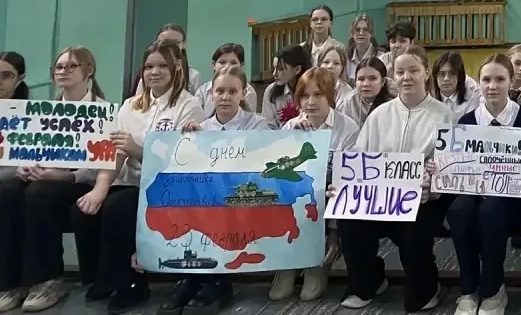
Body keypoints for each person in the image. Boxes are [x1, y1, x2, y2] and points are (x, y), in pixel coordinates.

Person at [74, 41, 201, 314]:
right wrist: (99, 189)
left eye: (162, 66)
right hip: (130, 182)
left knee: (118, 208)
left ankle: (132, 285)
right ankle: (101, 279)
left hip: (167, 186)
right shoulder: (130, 106)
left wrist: (139, 151)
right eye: (148, 66)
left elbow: (182, 160)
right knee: (85, 208)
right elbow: (116, 152)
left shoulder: (189, 106)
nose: (154, 72)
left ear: (176, 68)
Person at [336, 46, 453, 312]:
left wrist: (432, 186)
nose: (406, 77)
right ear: (393, 76)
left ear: (426, 73)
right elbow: (359, 158)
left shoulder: (444, 115)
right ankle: (368, 281)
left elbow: (447, 167)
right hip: (380, 198)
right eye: (400, 72)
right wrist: (343, 187)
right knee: (350, 222)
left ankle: (427, 286)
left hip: (424, 199)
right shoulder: (379, 115)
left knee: (414, 233)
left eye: (413, 70)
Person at [0, 48, 106, 313]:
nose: (63, 71)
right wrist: (27, 168)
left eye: (70, 66)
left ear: (88, 71)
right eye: (58, 67)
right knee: (9, 190)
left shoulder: (102, 111)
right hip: (46, 177)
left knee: (40, 193)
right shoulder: (44, 111)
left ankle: (46, 280)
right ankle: (11, 282)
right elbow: (33, 151)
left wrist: (64, 175)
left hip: (80, 182)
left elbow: (102, 167)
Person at [166, 69, 266, 313]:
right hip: (208, 194)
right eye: (220, 91)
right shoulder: (201, 128)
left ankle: (218, 281)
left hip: (244, 193)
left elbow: (258, 164)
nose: (225, 97)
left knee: (217, 207)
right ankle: (191, 278)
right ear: (211, 94)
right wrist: (191, 141)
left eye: (232, 91)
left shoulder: (257, 124)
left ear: (243, 94)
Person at [449, 55, 521, 315]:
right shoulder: (466, 122)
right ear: (478, 83)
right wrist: (443, 167)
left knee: (492, 211)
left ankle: (493, 288)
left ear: (511, 81)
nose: (492, 85)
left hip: (513, 197)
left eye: (500, 79)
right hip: (474, 191)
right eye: (486, 79)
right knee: (459, 210)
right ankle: (468, 288)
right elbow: (457, 167)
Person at [272, 68, 360, 302]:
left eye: (318, 95)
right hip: (296, 196)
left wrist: (334, 233)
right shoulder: (290, 127)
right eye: (305, 95)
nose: (310, 102)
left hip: (330, 196)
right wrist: (295, 141)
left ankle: (317, 264)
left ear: (330, 95)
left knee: (323, 193)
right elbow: (277, 175)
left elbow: (347, 182)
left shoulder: (348, 128)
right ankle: (288, 263)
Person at [131, 25, 201, 95]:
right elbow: (138, 99)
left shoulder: (193, 76)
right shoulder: (147, 74)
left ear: (184, 44)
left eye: (175, 43)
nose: (155, 72)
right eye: (163, 42)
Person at [193, 43, 257, 116]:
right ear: (214, 65)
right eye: (222, 62)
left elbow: (249, 119)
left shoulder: (248, 92)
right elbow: (196, 117)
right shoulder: (202, 91)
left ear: (241, 66)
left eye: (233, 63)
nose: (227, 66)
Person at [263, 44, 311, 128]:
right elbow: (268, 127)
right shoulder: (271, 91)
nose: (274, 74)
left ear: (297, 69)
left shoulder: (311, 90)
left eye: (280, 69)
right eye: (274, 68)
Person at [339, 57, 393, 127]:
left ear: (383, 81)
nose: (366, 84)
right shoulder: (350, 101)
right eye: (361, 79)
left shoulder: (392, 103)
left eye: (372, 79)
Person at [431, 52, 479, 122]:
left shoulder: (471, 99)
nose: (446, 78)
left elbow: (469, 127)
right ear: (435, 77)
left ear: (460, 76)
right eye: (441, 74)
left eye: (452, 73)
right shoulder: (429, 98)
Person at [317, 44, 356, 109]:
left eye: (336, 63)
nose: (330, 66)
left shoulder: (348, 93)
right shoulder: (309, 86)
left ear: (342, 68)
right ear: (319, 65)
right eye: (326, 62)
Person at [345, 14, 381, 80]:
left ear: (371, 33)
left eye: (365, 29)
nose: (361, 33)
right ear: (352, 33)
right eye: (357, 29)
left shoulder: (381, 56)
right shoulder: (345, 58)